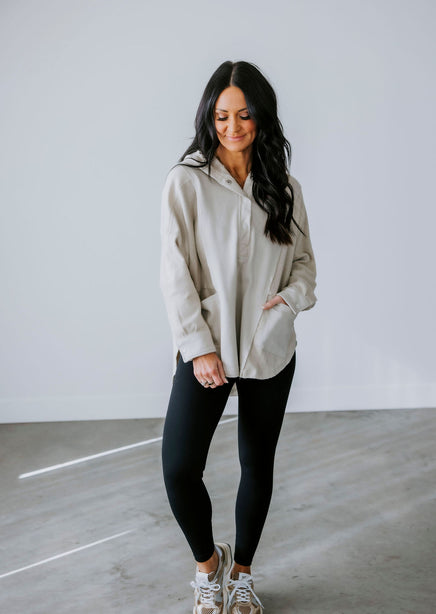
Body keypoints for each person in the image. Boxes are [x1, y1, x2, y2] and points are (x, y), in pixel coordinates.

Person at [159, 60, 317, 614]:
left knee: (257, 465)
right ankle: (209, 567)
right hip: (208, 348)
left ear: (261, 117)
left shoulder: (285, 188)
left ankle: (243, 574)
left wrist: (288, 303)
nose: (233, 126)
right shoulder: (186, 182)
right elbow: (174, 271)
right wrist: (198, 346)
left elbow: (305, 266)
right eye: (222, 116)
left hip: (269, 348)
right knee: (179, 469)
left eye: (244, 115)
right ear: (209, 117)